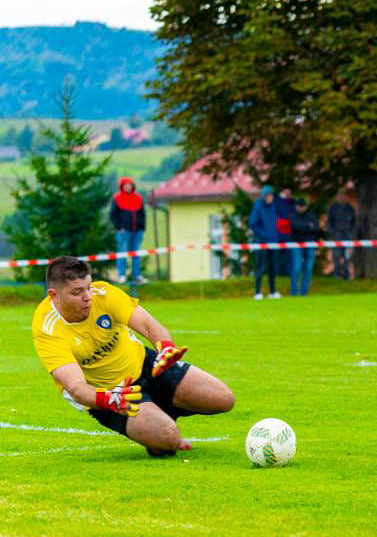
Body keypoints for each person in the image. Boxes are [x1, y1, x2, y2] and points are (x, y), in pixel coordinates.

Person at [31, 256, 234, 457]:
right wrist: (109, 399)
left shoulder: (104, 293)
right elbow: (77, 388)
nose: (87, 296)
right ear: (54, 295)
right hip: (112, 392)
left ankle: (160, 410)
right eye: (77, 292)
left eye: (88, 287)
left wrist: (166, 348)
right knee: (168, 440)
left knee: (223, 399)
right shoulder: (47, 328)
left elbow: (149, 325)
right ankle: (156, 428)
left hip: (145, 364)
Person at [110, 177, 146, 284]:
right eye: (126, 185)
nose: (128, 187)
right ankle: (122, 275)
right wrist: (119, 227)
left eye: (129, 185)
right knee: (122, 253)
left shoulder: (138, 198)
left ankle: (137, 276)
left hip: (137, 231)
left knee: (136, 253)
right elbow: (113, 215)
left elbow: (143, 214)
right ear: (122, 187)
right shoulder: (117, 198)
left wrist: (142, 228)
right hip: (124, 231)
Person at [249, 185, 280, 300]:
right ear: (264, 196)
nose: (271, 197)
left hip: (273, 241)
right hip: (261, 242)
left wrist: (274, 236)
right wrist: (264, 235)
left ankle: (273, 291)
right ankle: (257, 292)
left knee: (273, 267)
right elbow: (253, 224)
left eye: (272, 195)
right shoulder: (258, 206)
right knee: (260, 267)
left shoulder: (273, 206)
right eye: (269, 195)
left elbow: (274, 223)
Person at [289, 198, 320, 296]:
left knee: (308, 268)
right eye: (300, 207)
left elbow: (316, 228)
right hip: (296, 244)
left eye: (304, 207)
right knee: (297, 267)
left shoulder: (311, 214)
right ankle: (294, 292)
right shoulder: (292, 214)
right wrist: (307, 226)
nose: (302, 209)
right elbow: (295, 226)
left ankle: (304, 292)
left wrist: (303, 227)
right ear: (296, 206)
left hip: (310, 244)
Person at [327, 188, 357, 280]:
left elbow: (354, 222)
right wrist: (333, 233)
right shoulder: (333, 208)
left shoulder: (350, 208)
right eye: (340, 195)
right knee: (336, 256)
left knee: (347, 257)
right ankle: (336, 275)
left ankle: (346, 275)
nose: (342, 197)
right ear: (337, 196)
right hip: (336, 236)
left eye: (344, 195)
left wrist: (352, 234)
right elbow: (329, 222)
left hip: (348, 236)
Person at [275, 187, 296, 277]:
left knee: (288, 253)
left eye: (289, 192)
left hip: (289, 231)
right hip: (279, 231)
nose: (288, 194)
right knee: (279, 253)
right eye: (286, 192)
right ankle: (278, 272)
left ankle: (287, 272)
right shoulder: (277, 201)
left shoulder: (293, 202)